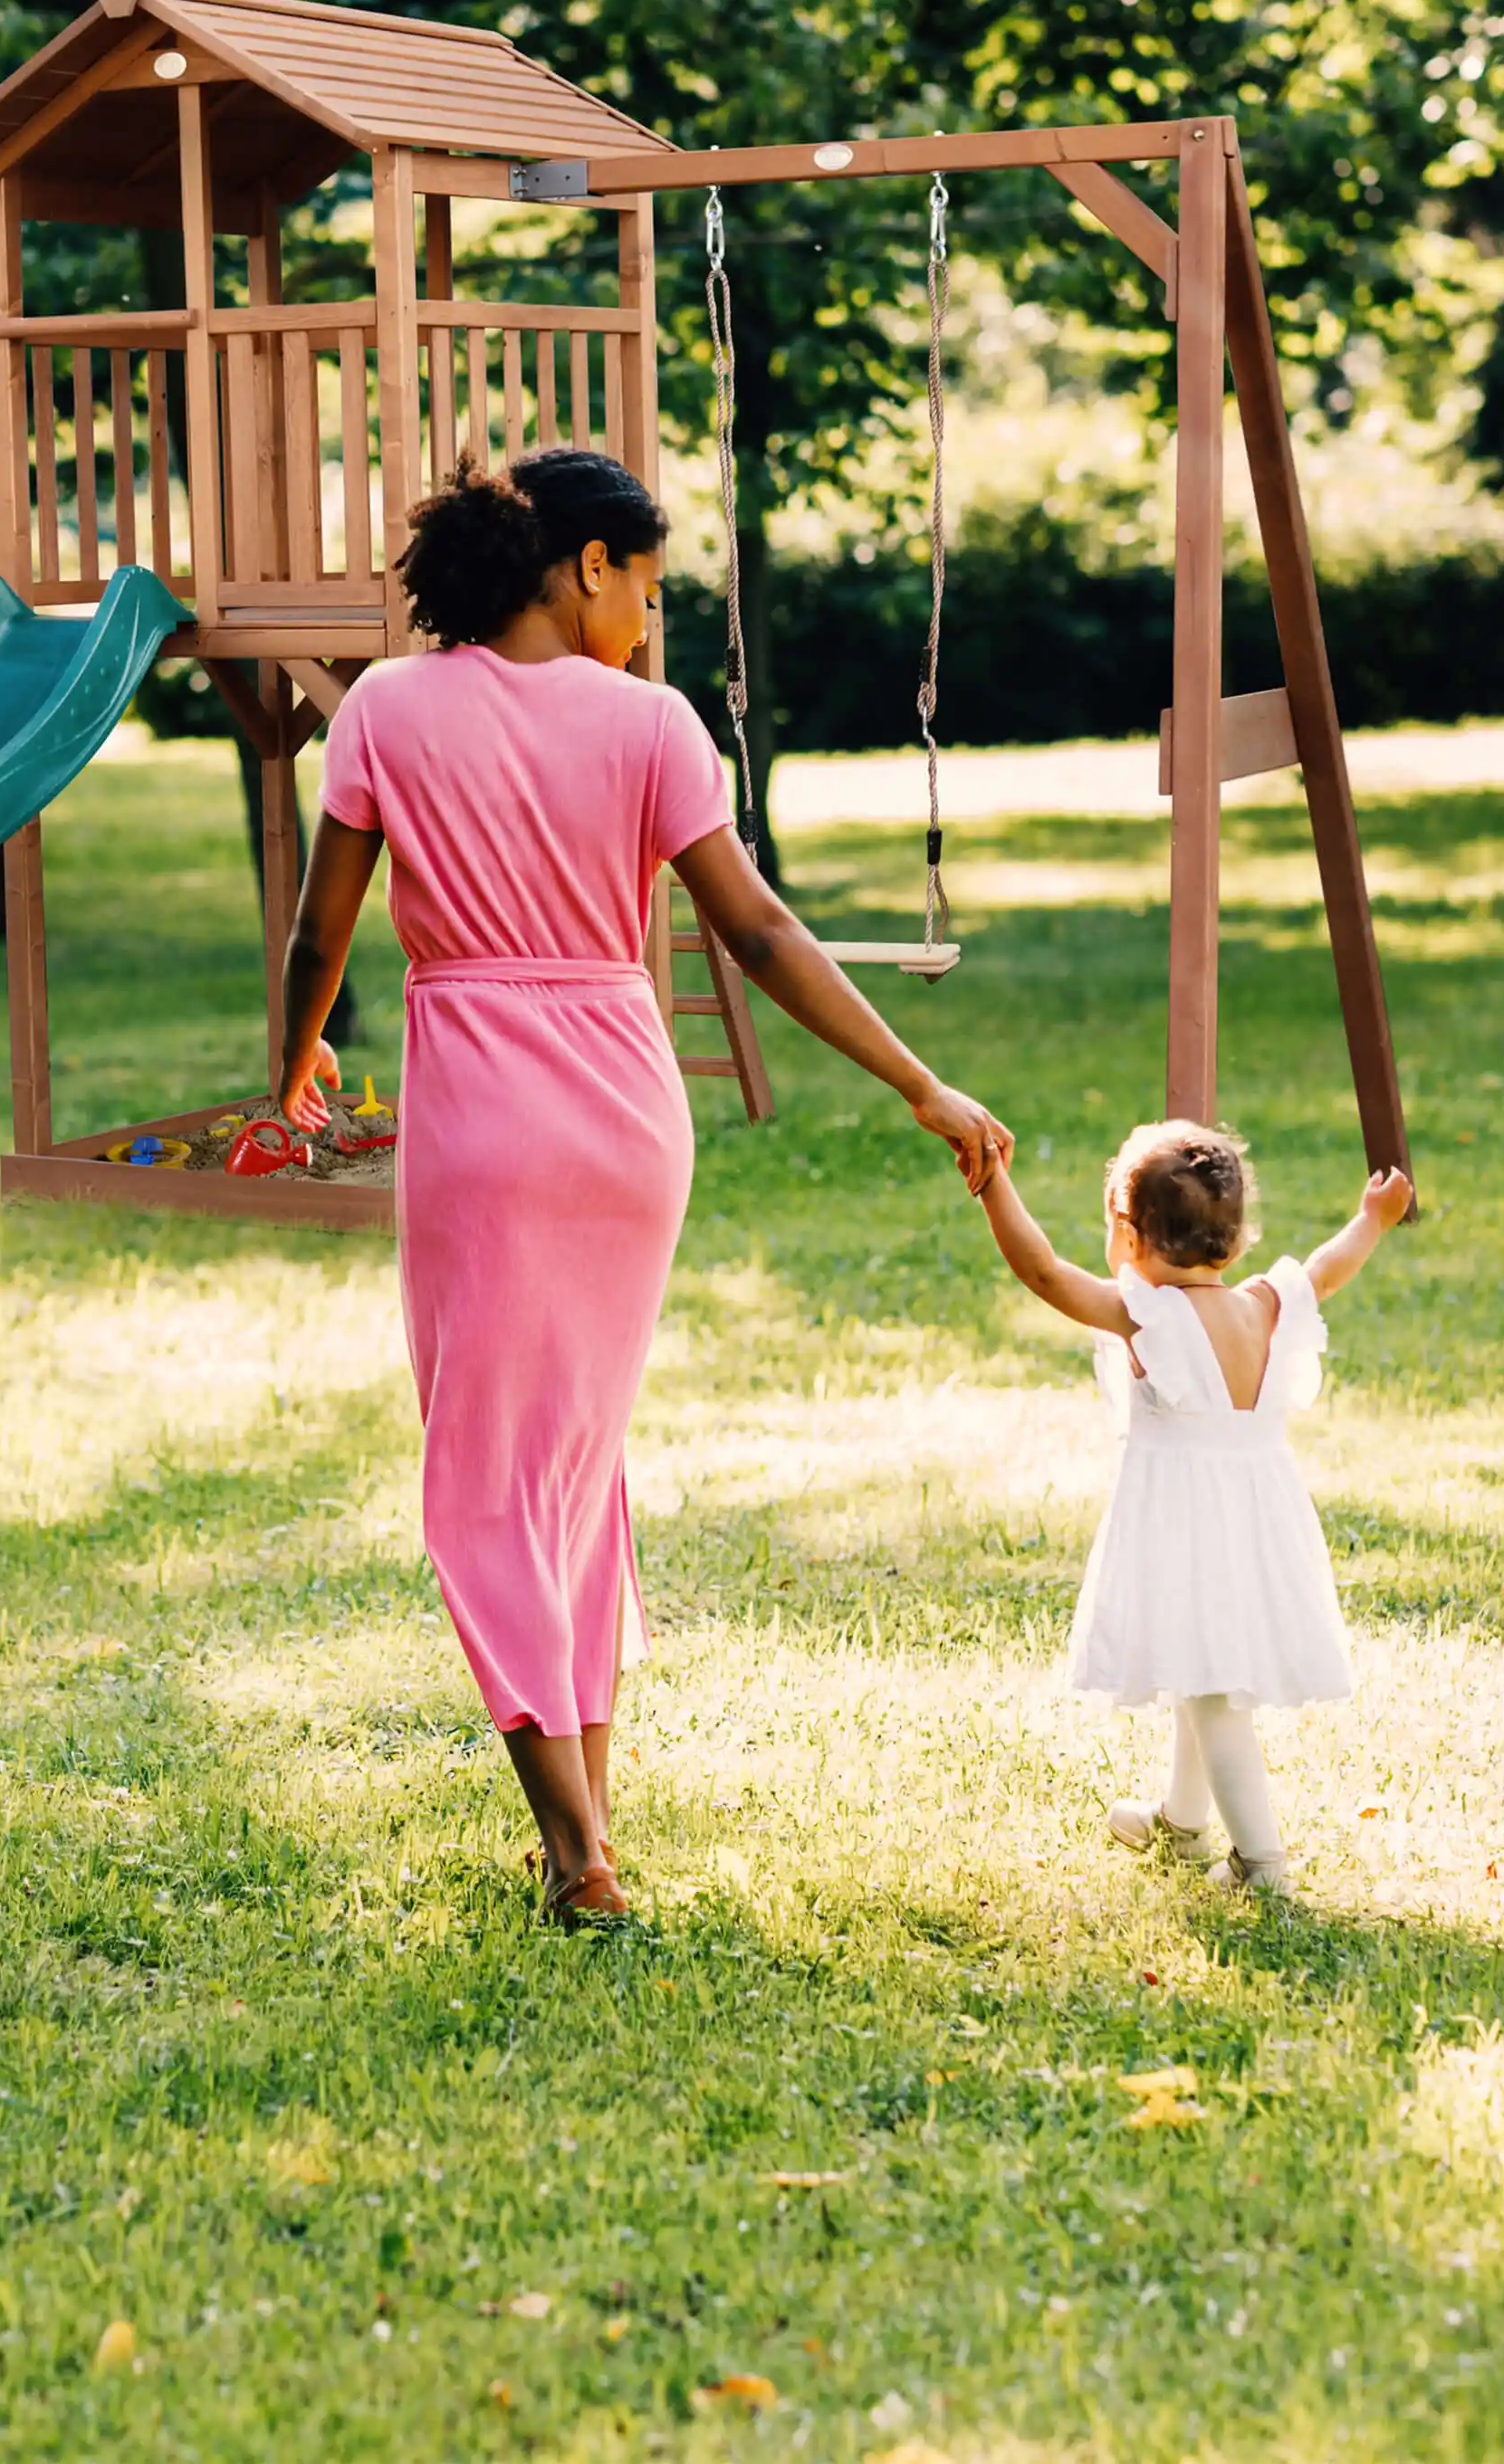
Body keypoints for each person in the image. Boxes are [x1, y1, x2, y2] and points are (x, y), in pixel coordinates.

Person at [275, 450, 1010, 1925]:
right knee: (572, 1468)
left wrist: (289, 1073)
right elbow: (760, 935)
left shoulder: (386, 710)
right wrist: (918, 1081)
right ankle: (587, 1825)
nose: (651, 622)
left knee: (487, 1479)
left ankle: (574, 1850)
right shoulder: (654, 727)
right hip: (624, 1117)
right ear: (583, 565)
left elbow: (320, 936)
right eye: (647, 588)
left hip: (481, 1117)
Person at [973, 1118, 1415, 1892]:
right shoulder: (1267, 1304)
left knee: (1213, 1694)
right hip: (1257, 1521)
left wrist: (992, 1182)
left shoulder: (1148, 1316)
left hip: (1187, 1525)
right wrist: (1371, 1219)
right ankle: (1182, 1822)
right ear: (1237, 1240)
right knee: (1196, 1663)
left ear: (1129, 1235)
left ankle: (1262, 1864)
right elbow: (1328, 1266)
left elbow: (1042, 1272)